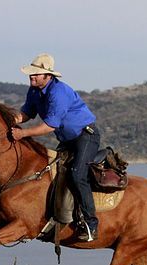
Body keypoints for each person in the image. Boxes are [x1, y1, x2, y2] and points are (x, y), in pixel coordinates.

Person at [11, 53, 100, 242]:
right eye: (31, 73)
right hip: (68, 139)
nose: (32, 76)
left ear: (48, 76)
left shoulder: (58, 93)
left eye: (36, 74)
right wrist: (13, 120)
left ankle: (91, 225)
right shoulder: (34, 91)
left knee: (77, 174)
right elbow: (27, 113)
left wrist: (22, 134)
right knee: (50, 172)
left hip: (85, 136)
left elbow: (49, 126)